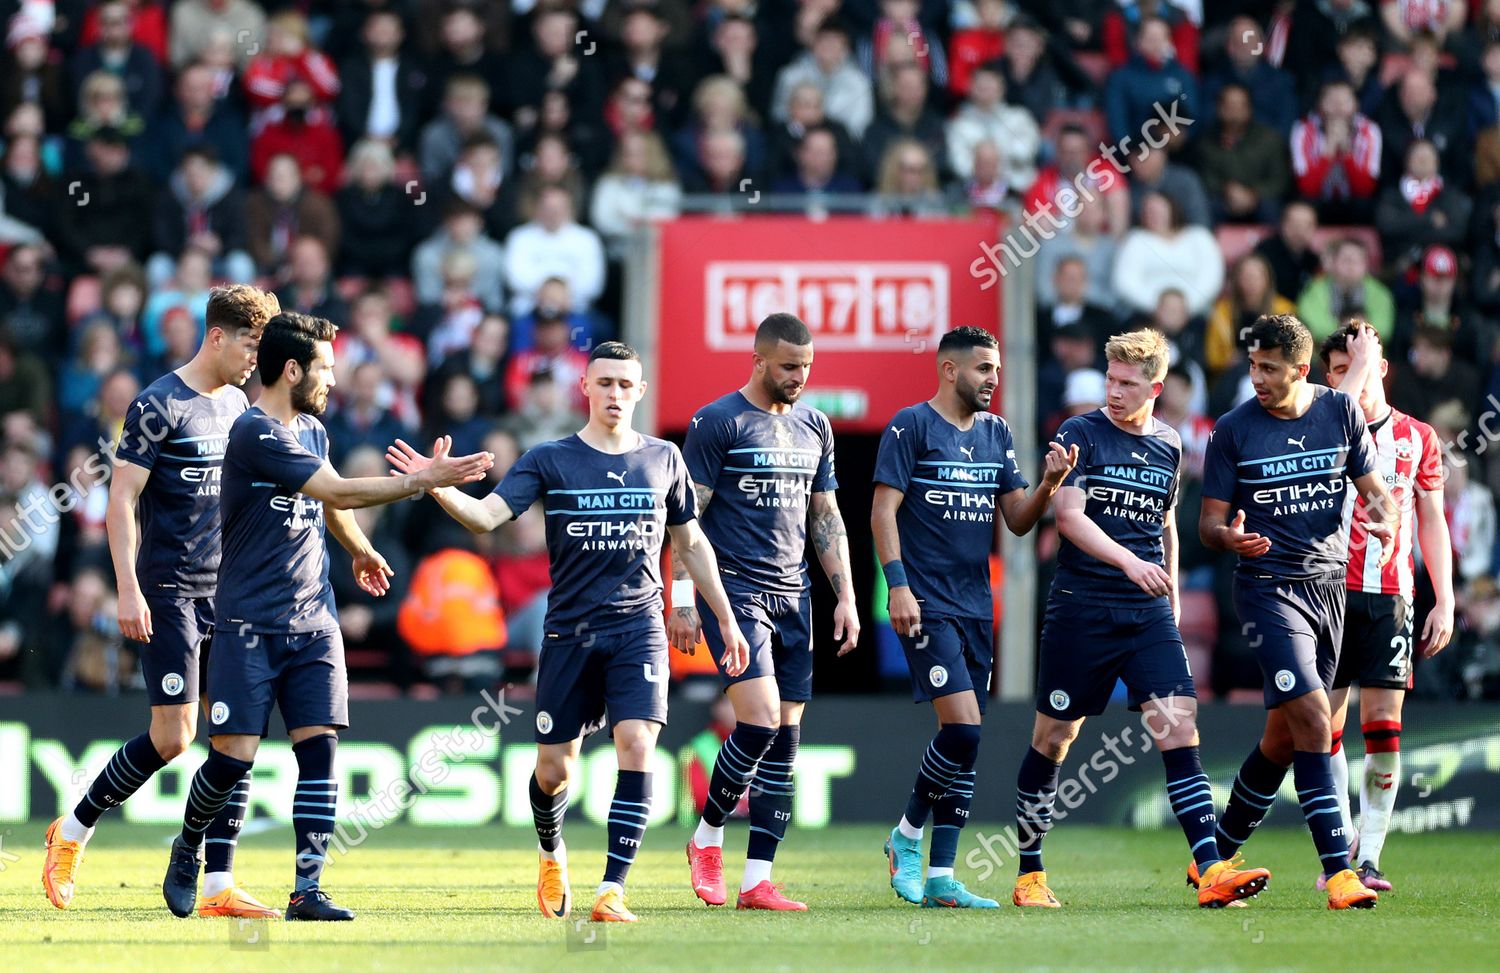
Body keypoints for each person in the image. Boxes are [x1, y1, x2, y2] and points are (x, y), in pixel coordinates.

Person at [388, 341, 750, 924]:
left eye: (624, 385)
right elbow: (486, 518)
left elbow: (693, 544)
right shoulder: (549, 458)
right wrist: (435, 484)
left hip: (638, 628)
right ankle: (551, 851)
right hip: (569, 634)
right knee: (555, 768)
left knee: (637, 746)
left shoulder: (664, 459)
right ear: (585, 387)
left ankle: (612, 890)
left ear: (640, 390)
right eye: (603, 383)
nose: (614, 394)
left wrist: (725, 618)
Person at [159, 311, 494, 921]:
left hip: (314, 621)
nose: (333, 382)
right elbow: (339, 492)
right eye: (325, 369)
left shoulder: (312, 428)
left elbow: (329, 495)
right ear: (292, 370)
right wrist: (425, 481)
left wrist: (360, 548)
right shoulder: (253, 434)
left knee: (321, 754)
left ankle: (306, 891)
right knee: (232, 758)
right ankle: (189, 848)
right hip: (249, 623)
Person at [1006, 328, 1271, 910]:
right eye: (1110, 379)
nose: (1115, 391)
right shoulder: (1081, 433)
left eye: (1127, 382)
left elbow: (1168, 525)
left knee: (1179, 726)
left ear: (1156, 386)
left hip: (1147, 611)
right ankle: (1029, 873)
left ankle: (1210, 869)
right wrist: (1130, 563)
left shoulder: (1169, 444)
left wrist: (1170, 598)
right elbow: (1068, 518)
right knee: (1055, 737)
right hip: (1082, 606)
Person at [41, 285, 281, 917]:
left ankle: (217, 884)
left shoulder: (237, 404)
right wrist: (128, 587)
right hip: (170, 589)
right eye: (251, 345)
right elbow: (121, 500)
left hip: (229, 592)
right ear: (217, 337)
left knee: (237, 734)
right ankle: (72, 830)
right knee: (174, 737)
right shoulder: (157, 404)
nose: (256, 359)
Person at [1197, 313, 1398, 910]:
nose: (1256, 378)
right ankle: (1341, 873)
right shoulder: (1233, 430)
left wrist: (1387, 516)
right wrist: (1226, 538)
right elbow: (1208, 522)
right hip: (1265, 590)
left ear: (1301, 370)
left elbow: (1375, 491)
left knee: (1283, 738)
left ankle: (1213, 856)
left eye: (1268, 368)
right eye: (1252, 365)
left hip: (1328, 588)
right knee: (1314, 719)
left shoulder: (1339, 413)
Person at [873, 326, 1076, 909]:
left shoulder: (996, 434)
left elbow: (1017, 520)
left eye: (997, 369)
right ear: (950, 370)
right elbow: (882, 511)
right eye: (984, 368)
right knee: (962, 729)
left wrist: (1048, 486)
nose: (994, 379)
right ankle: (906, 838)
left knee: (964, 741)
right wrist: (899, 587)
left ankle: (940, 877)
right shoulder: (910, 426)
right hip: (926, 603)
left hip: (974, 606)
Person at [677, 313, 860, 912]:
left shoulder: (816, 426)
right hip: (733, 592)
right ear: (757, 360)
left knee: (786, 740)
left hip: (796, 594)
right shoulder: (717, 422)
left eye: (807, 367)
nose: (799, 377)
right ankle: (706, 839)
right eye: (788, 366)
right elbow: (685, 522)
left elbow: (825, 517)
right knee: (757, 723)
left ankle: (757, 881)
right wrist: (680, 600)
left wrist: (848, 597)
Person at [1319, 322, 1454, 890]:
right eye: (1335, 369)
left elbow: (1432, 519)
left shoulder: (1418, 436)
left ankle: (1369, 857)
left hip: (1391, 596)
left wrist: (1443, 598)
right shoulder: (1322, 427)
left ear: (1381, 367)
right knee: (1323, 726)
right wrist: (1359, 365)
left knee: (1383, 726)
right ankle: (1339, 849)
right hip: (1323, 593)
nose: (1342, 376)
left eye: (1351, 363)